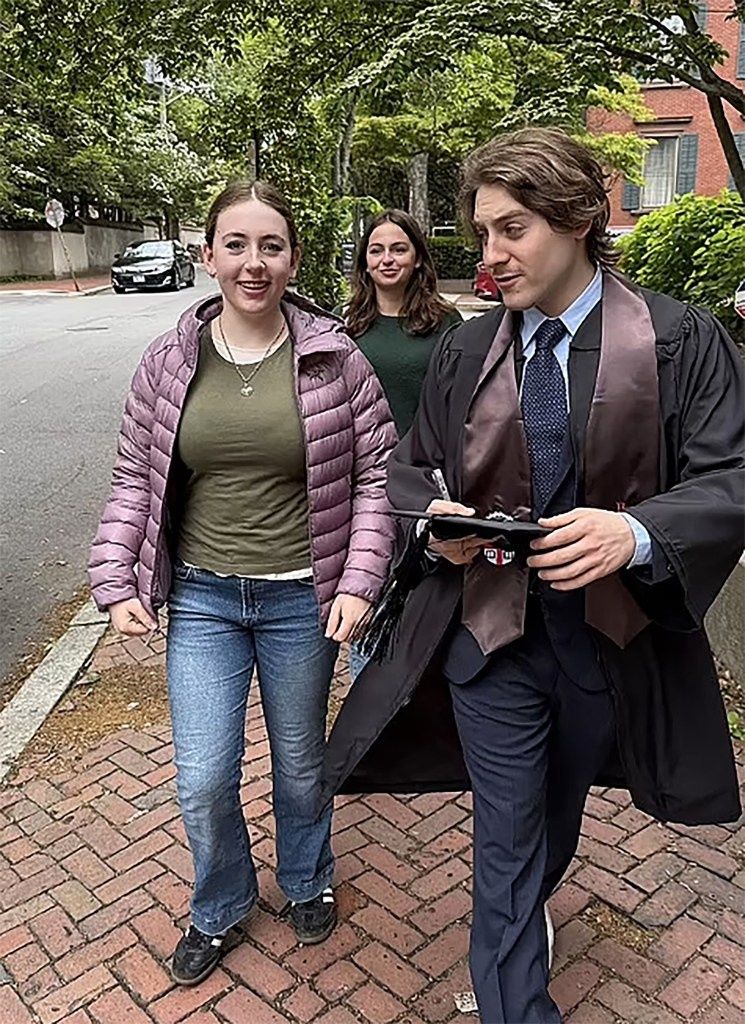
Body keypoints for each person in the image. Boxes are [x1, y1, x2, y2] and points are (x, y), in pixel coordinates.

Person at [322, 128, 744, 1023]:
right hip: (489, 641)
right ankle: (516, 999)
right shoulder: (468, 350)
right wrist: (436, 531)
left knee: (553, 817)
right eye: (481, 234)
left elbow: (730, 475)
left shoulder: (676, 339)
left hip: (606, 641)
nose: (489, 255)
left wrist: (633, 532)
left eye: (510, 230)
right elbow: (414, 467)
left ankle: (526, 912)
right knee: (506, 832)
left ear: (580, 217)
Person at [89, 180, 396, 987]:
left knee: (299, 764)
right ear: (209, 255)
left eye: (270, 246)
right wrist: (115, 575)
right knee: (202, 775)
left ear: (293, 259)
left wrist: (360, 581)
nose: (253, 264)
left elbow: (376, 481)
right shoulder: (167, 359)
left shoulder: (335, 357)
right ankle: (221, 904)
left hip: (303, 598)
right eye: (236, 245)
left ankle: (305, 877)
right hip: (203, 598)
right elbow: (134, 476)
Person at [345, 209, 462, 437]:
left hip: (423, 462)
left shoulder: (446, 321)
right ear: (365, 263)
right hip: (359, 463)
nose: (387, 259)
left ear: (417, 259)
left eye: (399, 250)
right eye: (376, 251)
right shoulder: (345, 320)